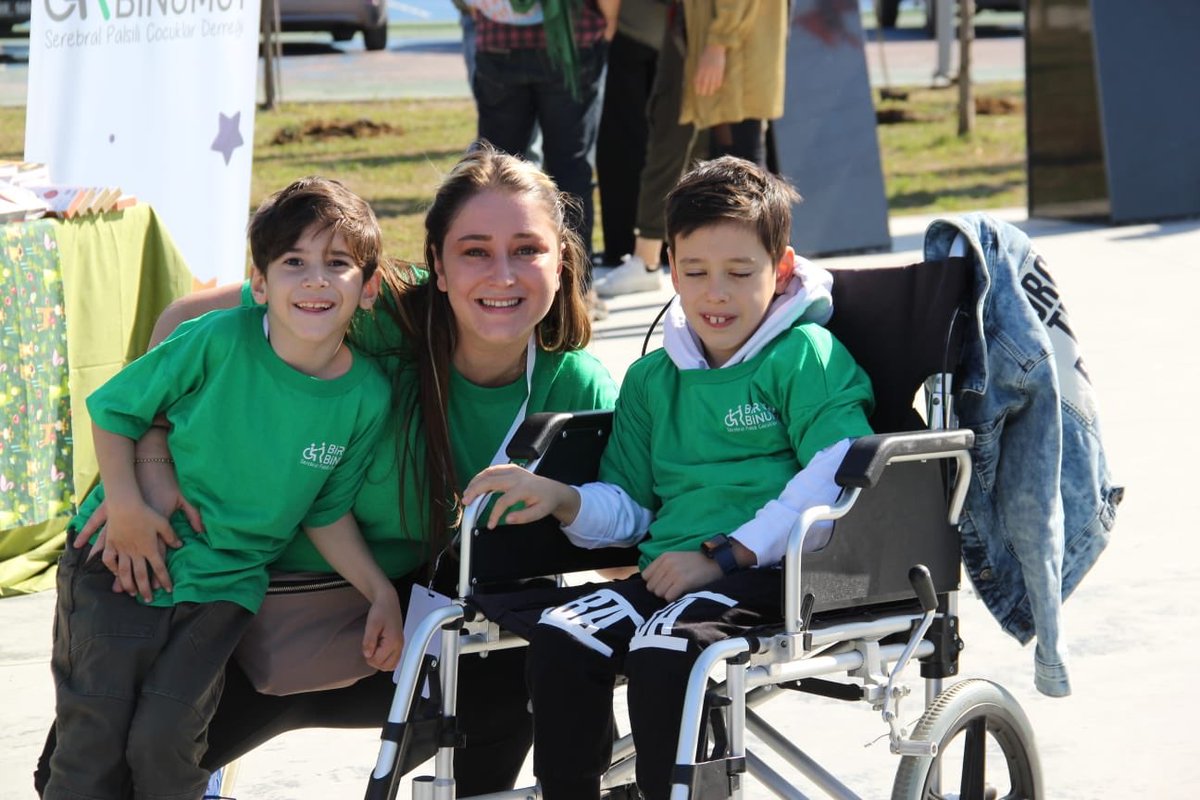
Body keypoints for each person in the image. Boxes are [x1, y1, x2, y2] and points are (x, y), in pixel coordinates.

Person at [33, 146, 618, 798]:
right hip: (243, 598)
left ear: (560, 260)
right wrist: (153, 458)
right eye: (476, 250)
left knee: (518, 675)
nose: (503, 274)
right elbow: (185, 324)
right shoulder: (368, 313)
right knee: (98, 770)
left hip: (388, 626)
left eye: (528, 250)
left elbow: (619, 545)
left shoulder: (577, 386)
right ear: (439, 267)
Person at [463, 156, 874, 800]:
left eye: (740, 273)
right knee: (563, 635)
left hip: (776, 576)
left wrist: (725, 555)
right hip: (670, 575)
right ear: (671, 269)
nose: (717, 292)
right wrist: (564, 500)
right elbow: (630, 505)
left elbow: (839, 466)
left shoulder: (803, 357)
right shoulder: (654, 379)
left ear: (782, 269)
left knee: (664, 654)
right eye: (695, 271)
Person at [42, 178, 403, 800]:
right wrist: (126, 504)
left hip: (224, 589)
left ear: (368, 287)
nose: (315, 280)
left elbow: (326, 508)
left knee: (168, 743)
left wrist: (379, 593)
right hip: (120, 561)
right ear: (259, 284)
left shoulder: (366, 396)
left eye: (337, 264)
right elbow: (115, 412)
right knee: (92, 743)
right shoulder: (216, 340)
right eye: (294, 263)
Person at [595, 0, 789, 298]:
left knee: (741, 156)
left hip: (727, 39)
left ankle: (766, 266)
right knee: (672, 137)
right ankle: (647, 258)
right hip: (692, 31)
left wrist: (718, 44)